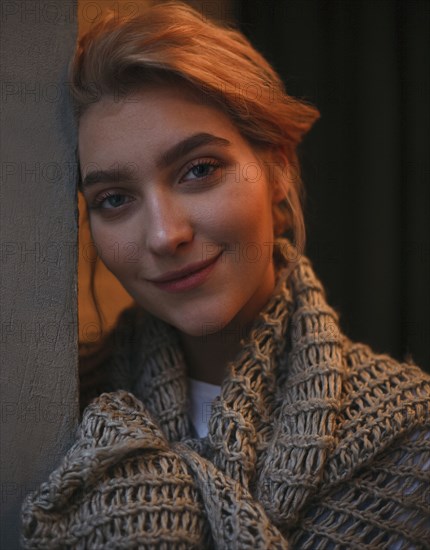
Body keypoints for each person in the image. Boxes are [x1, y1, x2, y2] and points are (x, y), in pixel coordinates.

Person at [21, 2, 429, 548]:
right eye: (114, 199)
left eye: (199, 170)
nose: (166, 235)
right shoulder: (53, 427)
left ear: (278, 166)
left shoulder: (412, 438)